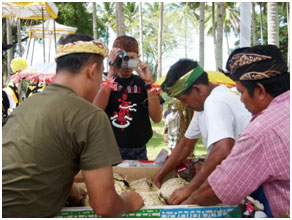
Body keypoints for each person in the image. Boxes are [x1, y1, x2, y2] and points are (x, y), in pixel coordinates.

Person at [2, 33, 144, 218]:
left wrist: (72, 192)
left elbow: (39, 162)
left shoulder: (27, 106)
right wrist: (128, 202)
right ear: (92, 71)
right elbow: (105, 206)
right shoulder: (91, 116)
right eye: (101, 75)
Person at [178, 45, 290, 218]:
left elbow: (222, 188)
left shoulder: (261, 132)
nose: (241, 99)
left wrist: (188, 201)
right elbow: (186, 143)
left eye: (242, 92)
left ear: (259, 90)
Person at [153, 58, 251, 205]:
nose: (185, 105)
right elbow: (186, 144)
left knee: (190, 203)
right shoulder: (205, 103)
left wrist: (190, 188)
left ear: (198, 89)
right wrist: (160, 175)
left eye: (184, 99)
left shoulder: (214, 102)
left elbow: (223, 149)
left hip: (247, 179)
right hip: (239, 175)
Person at [93, 35, 162, 160]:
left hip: (139, 150)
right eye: (122, 59)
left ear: (138, 59)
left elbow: (157, 118)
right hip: (109, 149)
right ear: (113, 58)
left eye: (130, 59)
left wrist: (148, 85)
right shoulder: (101, 80)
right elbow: (95, 111)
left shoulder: (143, 82)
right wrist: (110, 75)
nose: (126, 64)